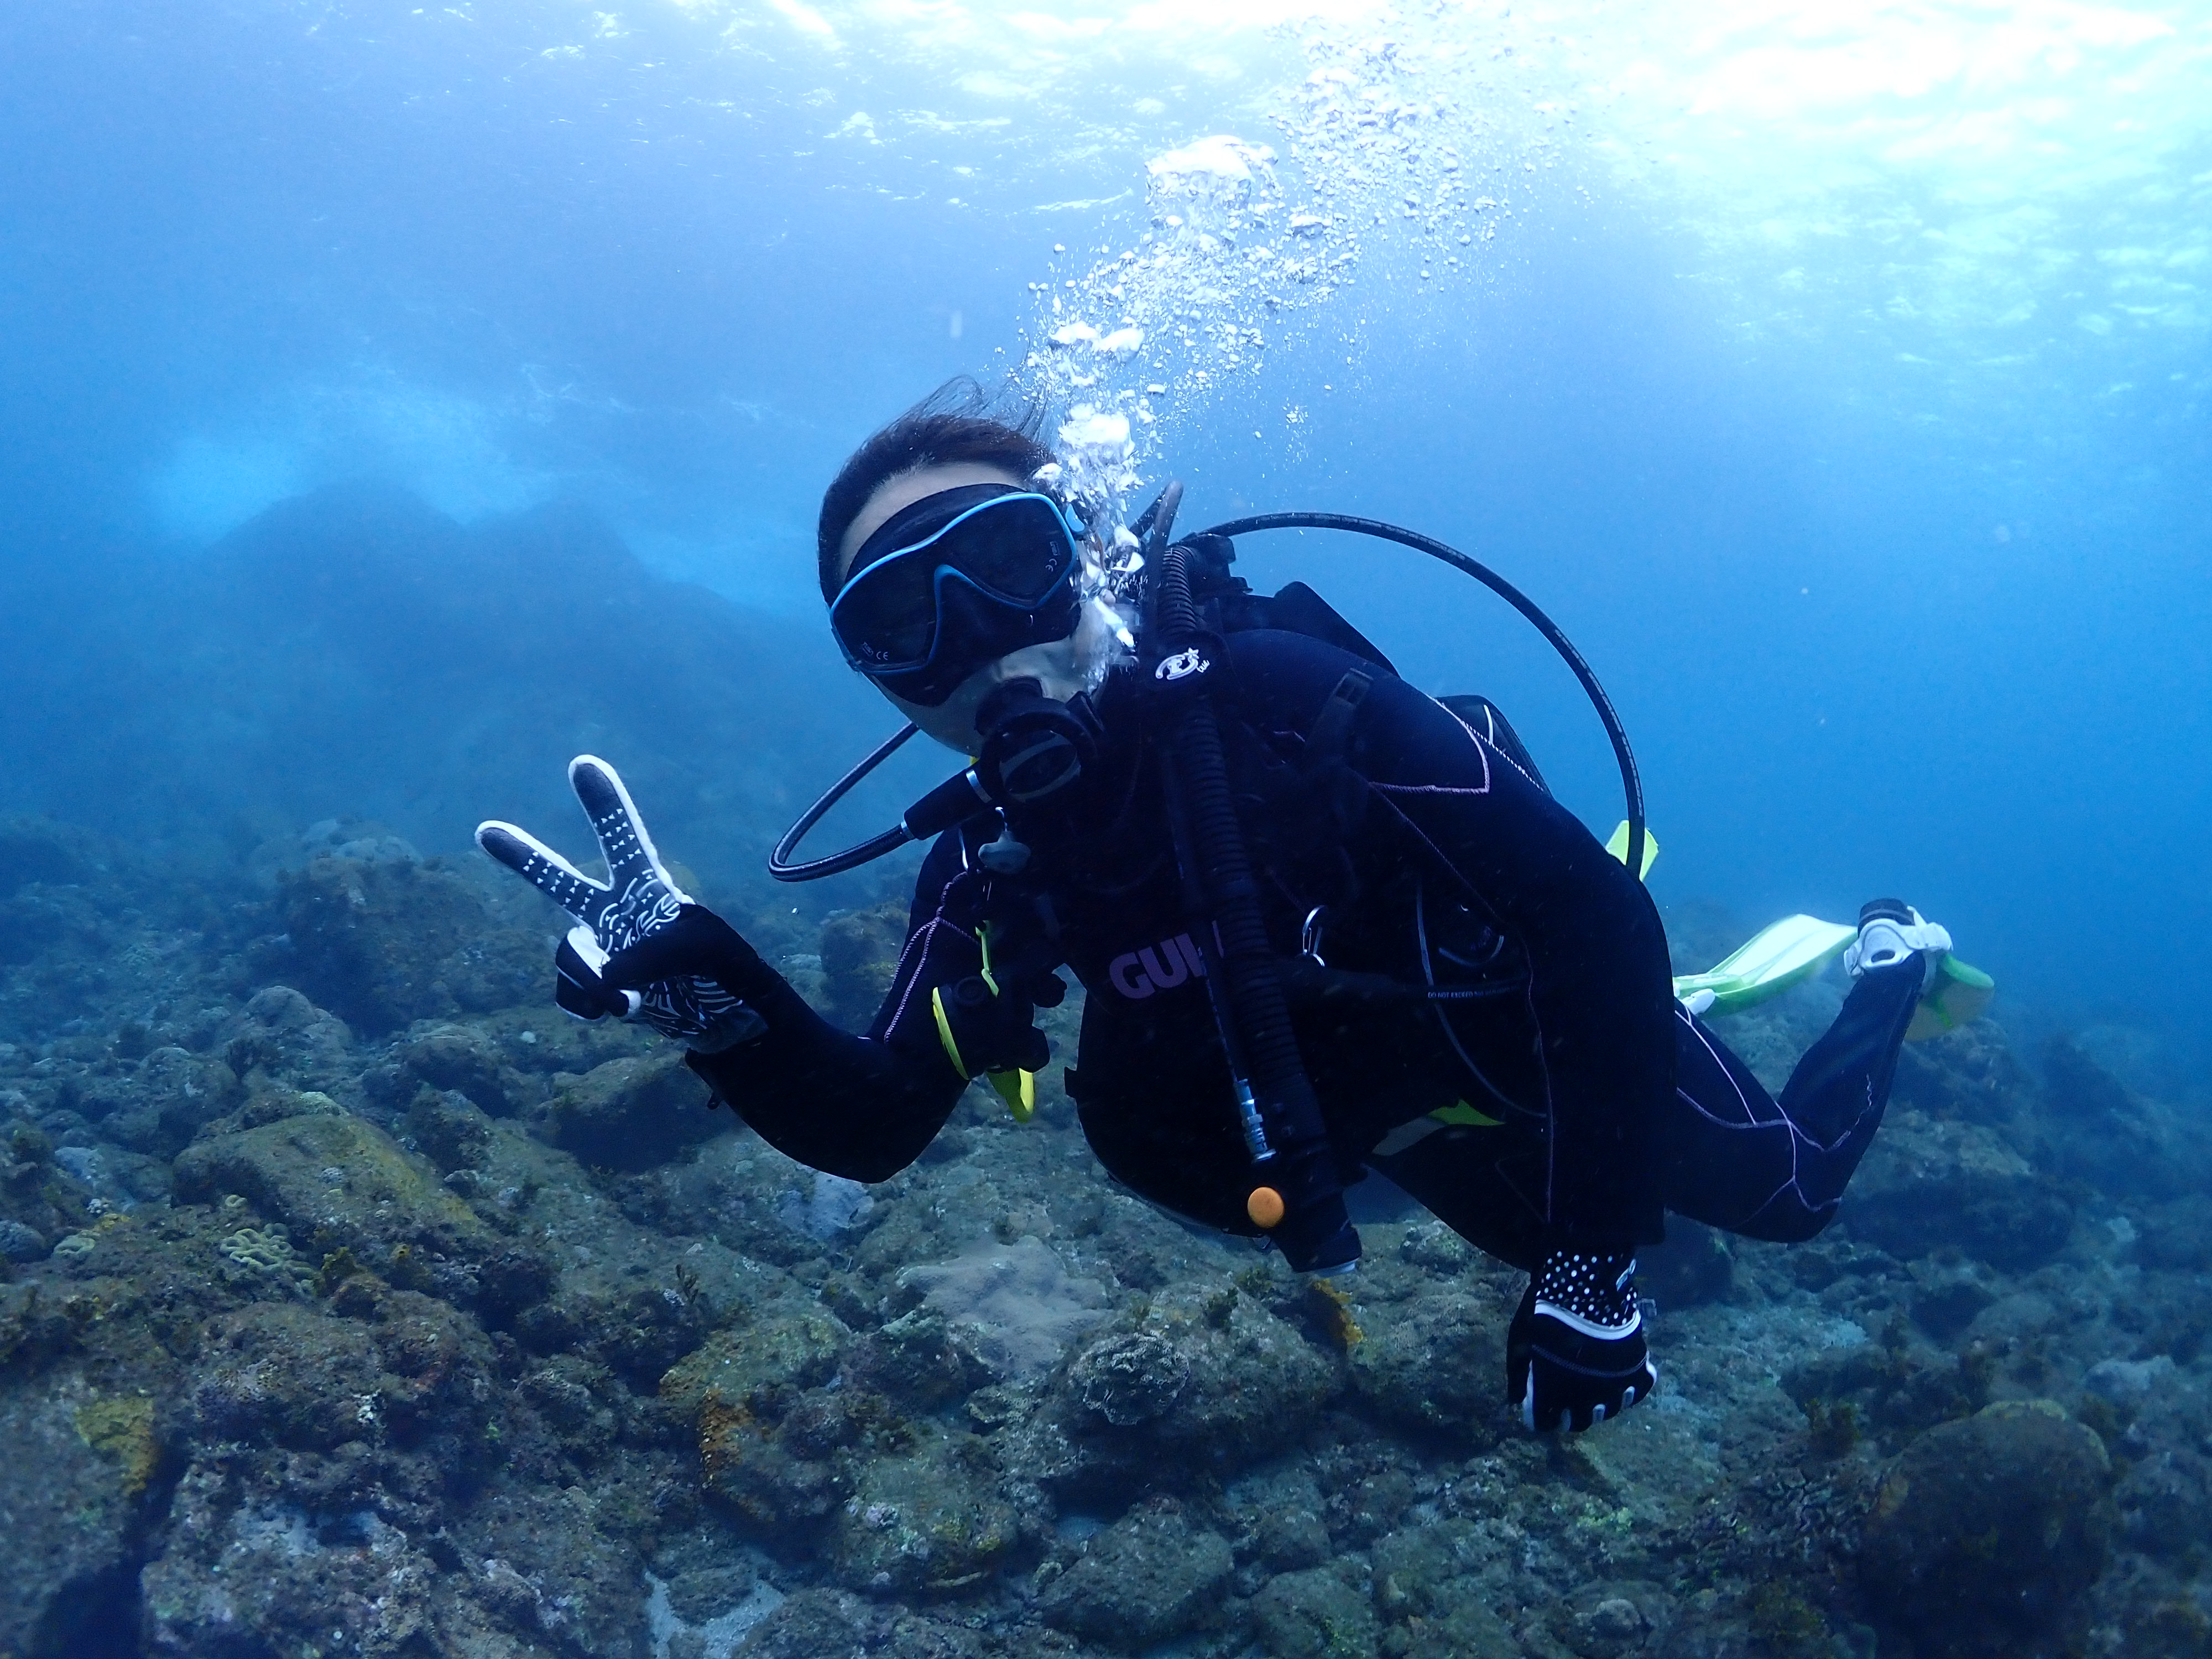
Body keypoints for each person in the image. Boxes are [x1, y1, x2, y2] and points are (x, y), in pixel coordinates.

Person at [478, 384, 1958, 1435]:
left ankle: (1889, 961)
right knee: (1611, 1241)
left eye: (1003, 565)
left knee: (1788, 1204)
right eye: (900, 624)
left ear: (1085, 555)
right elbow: (872, 1125)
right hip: (1375, 1126)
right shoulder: (992, 865)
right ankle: (1584, 1178)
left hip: (1526, 1028)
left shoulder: (1284, 702)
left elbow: (1591, 930)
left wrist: (1587, 1276)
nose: (976, 645)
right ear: (880, 684)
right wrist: (720, 1004)